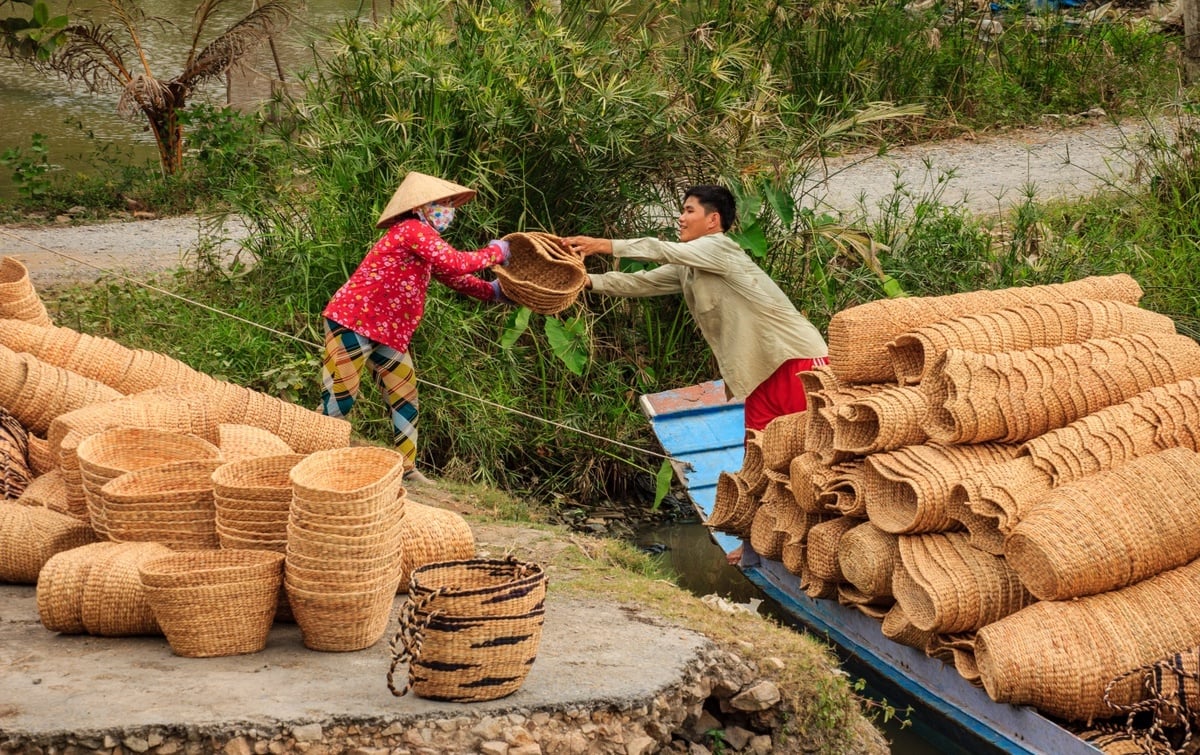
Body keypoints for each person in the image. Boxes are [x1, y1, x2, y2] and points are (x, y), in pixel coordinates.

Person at [562, 184, 828, 563]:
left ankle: (820, 537)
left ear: (713, 220)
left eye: (689, 211)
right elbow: (642, 282)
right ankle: (758, 542)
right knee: (758, 458)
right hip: (761, 373)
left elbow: (660, 249)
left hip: (793, 360)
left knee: (809, 453)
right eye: (682, 210)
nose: (681, 218)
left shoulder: (719, 248)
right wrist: (587, 281)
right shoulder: (691, 266)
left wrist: (603, 245)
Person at [320, 171, 511, 482]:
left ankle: (406, 467)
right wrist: (496, 253)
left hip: (389, 331)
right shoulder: (411, 230)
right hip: (355, 320)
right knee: (341, 395)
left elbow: (452, 276)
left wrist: (490, 292)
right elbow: (456, 263)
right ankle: (315, 453)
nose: (449, 210)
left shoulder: (425, 238)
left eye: (450, 204)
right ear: (422, 205)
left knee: (404, 395)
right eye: (443, 203)